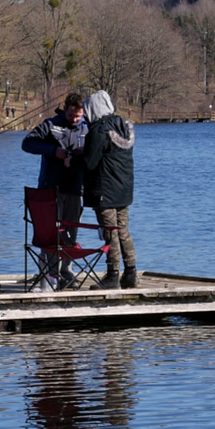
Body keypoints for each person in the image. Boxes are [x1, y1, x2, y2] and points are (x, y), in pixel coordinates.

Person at [22, 93, 87, 288]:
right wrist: (53, 151)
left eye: (78, 116)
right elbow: (27, 143)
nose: (75, 120)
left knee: (71, 232)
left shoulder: (87, 127)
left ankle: (66, 270)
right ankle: (50, 273)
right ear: (65, 109)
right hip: (51, 188)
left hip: (75, 187)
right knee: (51, 233)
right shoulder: (50, 125)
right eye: (71, 116)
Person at [81, 90, 137, 289]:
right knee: (123, 231)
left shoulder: (99, 130)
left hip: (105, 189)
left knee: (110, 232)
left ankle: (112, 276)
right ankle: (131, 272)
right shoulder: (124, 126)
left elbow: (89, 162)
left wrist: (78, 155)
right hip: (124, 188)